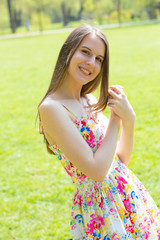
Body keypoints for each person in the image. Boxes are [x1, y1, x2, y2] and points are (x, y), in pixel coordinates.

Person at [37, 24, 160, 239]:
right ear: (68, 51)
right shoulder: (51, 108)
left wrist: (129, 120)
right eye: (85, 52)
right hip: (100, 211)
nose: (91, 63)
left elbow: (119, 161)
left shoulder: (90, 100)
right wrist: (115, 119)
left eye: (99, 59)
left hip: (128, 198)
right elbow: (96, 171)